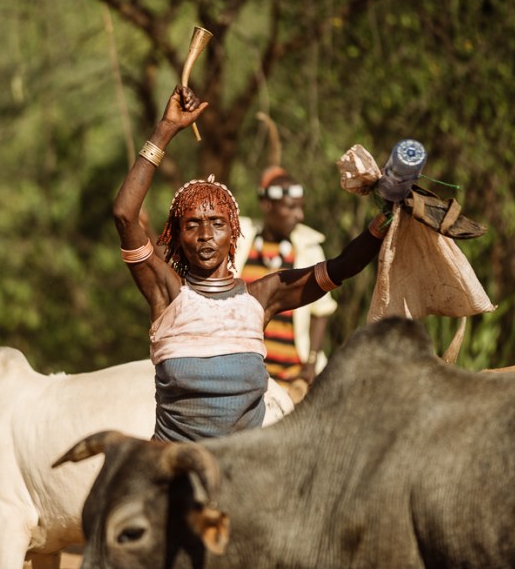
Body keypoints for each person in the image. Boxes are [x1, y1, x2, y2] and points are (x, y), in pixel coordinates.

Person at [113, 86, 389, 443]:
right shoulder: (165, 293)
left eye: (217, 224)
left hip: (246, 475)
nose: (205, 236)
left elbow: (342, 267)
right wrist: (165, 129)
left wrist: (384, 220)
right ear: (178, 236)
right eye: (192, 224)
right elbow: (123, 213)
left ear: (234, 232)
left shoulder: (262, 297)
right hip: (173, 470)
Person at [233, 166, 337, 400]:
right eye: (291, 207)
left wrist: (310, 365)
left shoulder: (309, 249)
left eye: (301, 207)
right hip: (241, 375)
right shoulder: (240, 240)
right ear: (268, 206)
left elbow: (322, 311)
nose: (299, 215)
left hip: (292, 379)